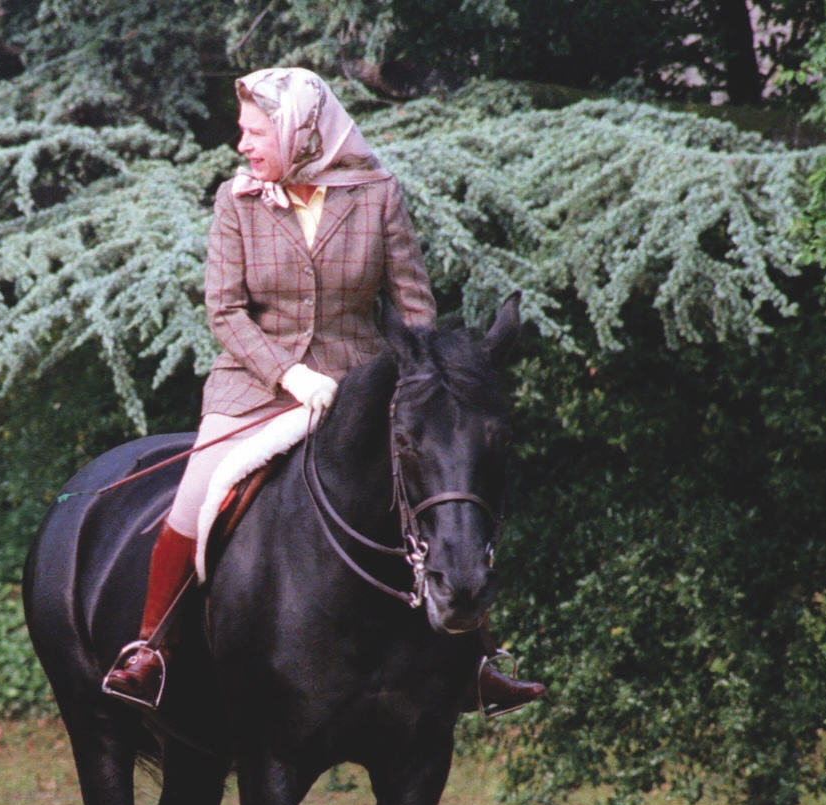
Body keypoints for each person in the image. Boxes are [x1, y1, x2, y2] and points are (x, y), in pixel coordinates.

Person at [101, 67, 545, 716]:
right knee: (196, 498)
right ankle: (151, 650)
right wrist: (288, 373)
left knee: (438, 495)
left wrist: (425, 385)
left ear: (297, 132)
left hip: (360, 392)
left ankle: (475, 660)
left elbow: (414, 310)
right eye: (243, 131)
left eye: (255, 131)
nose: (242, 144)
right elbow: (225, 313)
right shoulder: (237, 200)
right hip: (253, 389)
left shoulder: (378, 196)